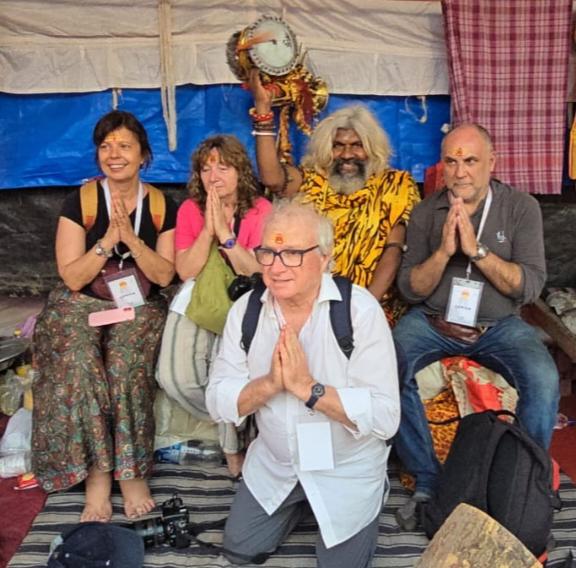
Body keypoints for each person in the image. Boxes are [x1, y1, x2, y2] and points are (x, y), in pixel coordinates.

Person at [206, 200, 400, 567]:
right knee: (239, 550)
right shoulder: (246, 312)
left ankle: (361, 500)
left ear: (325, 258)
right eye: (268, 252)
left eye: (293, 253)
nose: (276, 268)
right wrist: (270, 384)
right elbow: (217, 400)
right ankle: (295, 502)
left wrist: (309, 389)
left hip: (346, 469)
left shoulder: (358, 312)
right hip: (276, 464)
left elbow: (386, 416)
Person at [392, 123, 560, 529]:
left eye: (470, 161)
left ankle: (527, 476)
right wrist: (445, 251)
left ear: (491, 163)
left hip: (499, 325)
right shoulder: (425, 211)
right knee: (390, 360)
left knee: (543, 378)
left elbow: (529, 285)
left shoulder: (521, 208)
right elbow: (410, 288)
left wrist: (477, 251)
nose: (460, 171)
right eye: (451, 161)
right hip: (434, 321)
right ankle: (428, 478)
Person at [32, 110, 178, 522]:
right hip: (84, 299)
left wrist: (131, 238)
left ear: (143, 155)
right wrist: (107, 242)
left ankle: (131, 474)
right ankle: (98, 475)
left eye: (125, 146)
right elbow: (72, 277)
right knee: (78, 358)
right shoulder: (80, 201)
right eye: (106, 146)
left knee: (124, 362)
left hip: (138, 300)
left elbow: (165, 274)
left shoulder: (161, 205)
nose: (114, 154)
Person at [247, 70, 420, 323]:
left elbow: (393, 252)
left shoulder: (394, 185)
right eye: (339, 145)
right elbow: (273, 179)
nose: (347, 154)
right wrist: (263, 111)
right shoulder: (313, 181)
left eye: (357, 145)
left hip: (370, 304)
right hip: (311, 303)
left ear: (372, 149)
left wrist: (363, 310)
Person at [156, 134, 272, 477]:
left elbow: (256, 270)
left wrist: (227, 234)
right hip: (201, 297)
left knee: (228, 368)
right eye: (206, 168)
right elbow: (185, 270)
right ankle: (233, 423)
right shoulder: (191, 209)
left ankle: (231, 448)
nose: (214, 176)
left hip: (245, 298)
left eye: (223, 167)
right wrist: (208, 229)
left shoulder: (259, 209)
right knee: (172, 376)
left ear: (240, 171)